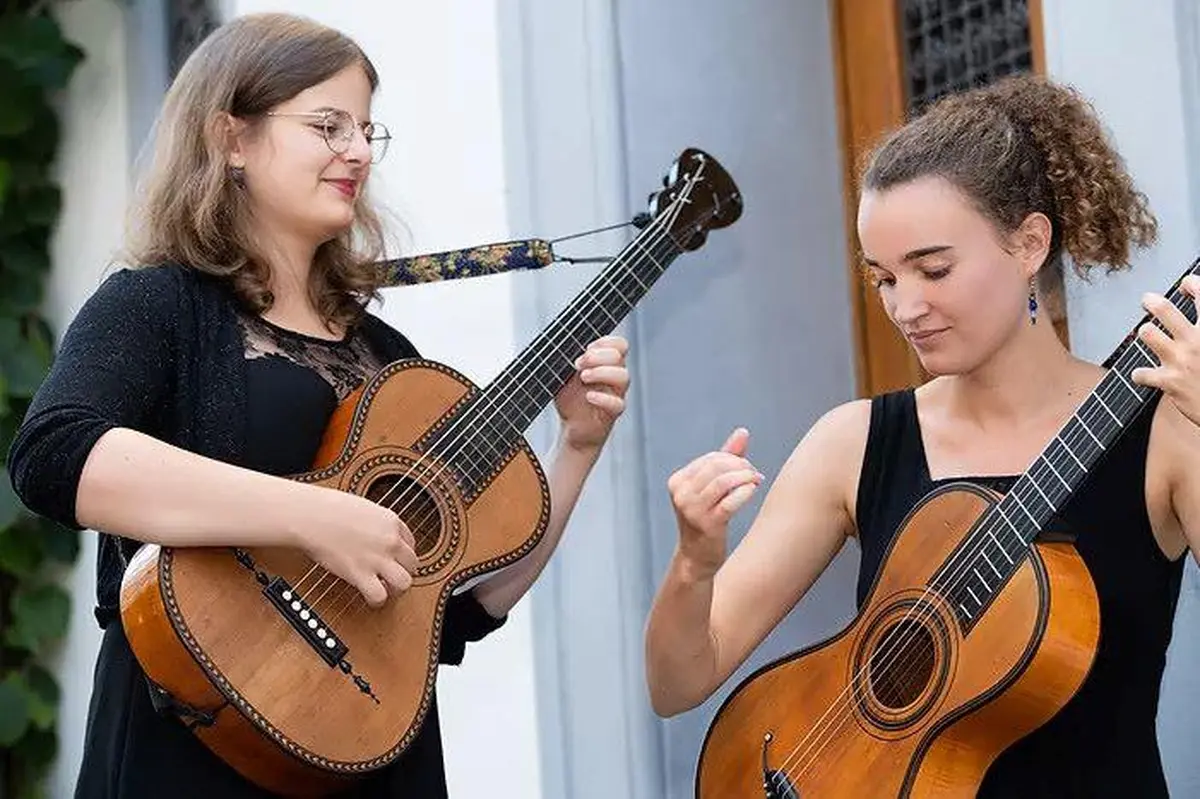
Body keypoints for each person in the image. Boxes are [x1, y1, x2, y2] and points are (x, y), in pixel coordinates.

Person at [8, 12, 630, 799]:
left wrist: (576, 446)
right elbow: (56, 456)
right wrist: (313, 516)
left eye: (369, 131)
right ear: (231, 138)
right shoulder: (157, 304)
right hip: (191, 740)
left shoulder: (389, 355)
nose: (360, 152)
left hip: (371, 755)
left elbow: (461, 607)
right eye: (329, 125)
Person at [645, 73, 1199, 797]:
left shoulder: (1162, 431)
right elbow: (678, 681)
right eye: (883, 278)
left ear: (1030, 242)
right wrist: (693, 561)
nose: (906, 307)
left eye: (933, 269)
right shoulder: (855, 442)